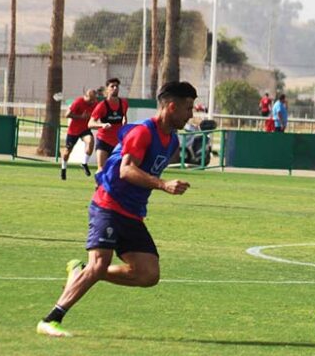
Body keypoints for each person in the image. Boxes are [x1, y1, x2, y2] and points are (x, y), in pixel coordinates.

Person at [36, 81, 196, 337]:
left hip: (132, 213)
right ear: (172, 107)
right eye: (188, 109)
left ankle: (83, 273)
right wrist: (163, 184)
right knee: (99, 263)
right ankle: (51, 319)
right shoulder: (143, 132)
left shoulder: (172, 141)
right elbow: (126, 169)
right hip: (108, 205)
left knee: (148, 274)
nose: (191, 115)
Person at [89, 78, 128, 172]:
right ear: (107, 89)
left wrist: (125, 125)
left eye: (117, 86)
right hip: (103, 141)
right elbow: (90, 123)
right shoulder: (102, 106)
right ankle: (98, 186)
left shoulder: (124, 104)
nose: (115, 88)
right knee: (101, 169)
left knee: (116, 171)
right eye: (112, 86)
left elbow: (124, 117)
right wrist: (102, 125)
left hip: (118, 143)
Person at [61, 88, 99, 180]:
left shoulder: (95, 103)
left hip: (85, 129)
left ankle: (84, 163)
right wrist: (80, 117)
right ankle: (63, 168)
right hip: (73, 131)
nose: (92, 101)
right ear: (85, 96)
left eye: (94, 99)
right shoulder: (78, 101)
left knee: (90, 141)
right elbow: (67, 115)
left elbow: (97, 116)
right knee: (67, 152)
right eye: (90, 99)